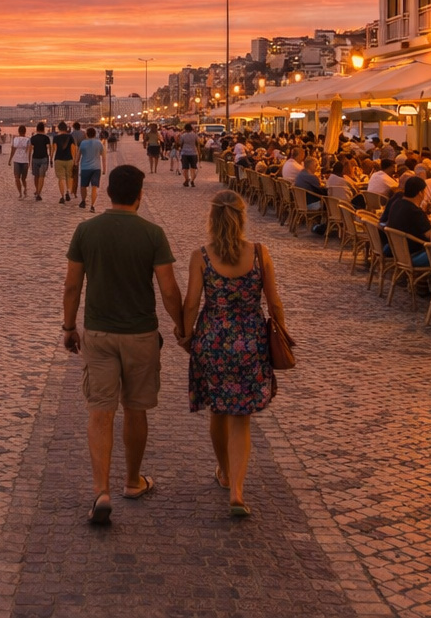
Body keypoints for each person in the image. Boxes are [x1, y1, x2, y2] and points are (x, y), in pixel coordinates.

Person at [62, 165, 184, 526]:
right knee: (135, 408)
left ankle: (102, 490)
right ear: (140, 195)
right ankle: (132, 481)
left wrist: (69, 327)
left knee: (100, 411)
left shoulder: (86, 230)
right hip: (141, 335)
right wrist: (182, 326)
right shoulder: (152, 234)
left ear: (109, 192)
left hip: (99, 334)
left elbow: (72, 286)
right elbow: (169, 290)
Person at [182, 191, 281, 519]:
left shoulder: (201, 256)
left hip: (214, 340)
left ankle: (224, 472)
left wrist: (186, 335)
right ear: (242, 217)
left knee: (218, 410)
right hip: (251, 342)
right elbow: (274, 302)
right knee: (241, 419)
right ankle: (237, 491)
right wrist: (281, 332)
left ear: (212, 218)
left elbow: (192, 302)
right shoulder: (259, 253)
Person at [381, 176, 431, 266]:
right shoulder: (415, 212)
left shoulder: (397, 203)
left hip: (395, 250)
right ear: (420, 193)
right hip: (412, 255)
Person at [77, 127, 106, 212]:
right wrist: (104, 169)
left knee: (83, 186)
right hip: (96, 168)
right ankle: (92, 205)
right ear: (95, 134)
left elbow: (78, 155)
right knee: (94, 187)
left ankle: (83, 201)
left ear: (87, 134)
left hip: (85, 168)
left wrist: (76, 162)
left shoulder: (83, 143)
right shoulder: (99, 143)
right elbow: (104, 157)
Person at [53, 122, 77, 204]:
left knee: (61, 178)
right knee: (69, 177)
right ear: (66, 128)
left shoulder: (56, 137)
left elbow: (54, 149)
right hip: (69, 159)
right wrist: (74, 160)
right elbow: (73, 148)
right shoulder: (70, 137)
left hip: (59, 159)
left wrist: (51, 158)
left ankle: (62, 196)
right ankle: (68, 192)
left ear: (59, 128)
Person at [28, 123, 53, 201]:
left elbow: (30, 150)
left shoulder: (33, 138)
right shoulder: (46, 138)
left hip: (35, 158)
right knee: (42, 176)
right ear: (43, 129)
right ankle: (38, 193)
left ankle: (37, 190)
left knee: (36, 176)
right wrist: (51, 158)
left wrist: (29, 160)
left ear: (37, 129)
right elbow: (50, 148)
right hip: (44, 158)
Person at [8, 125, 31, 199]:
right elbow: (29, 151)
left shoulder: (15, 139)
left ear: (18, 131)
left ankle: (20, 193)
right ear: (25, 131)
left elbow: (12, 150)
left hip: (17, 160)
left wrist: (10, 159)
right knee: (23, 178)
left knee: (17, 177)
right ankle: (24, 189)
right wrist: (29, 161)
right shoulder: (28, 139)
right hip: (25, 160)